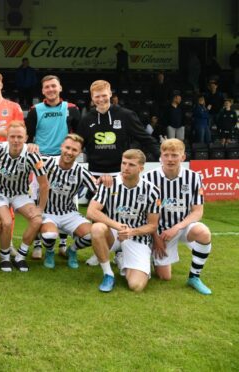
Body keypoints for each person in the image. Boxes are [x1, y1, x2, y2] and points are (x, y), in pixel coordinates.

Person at [0, 122, 49, 272]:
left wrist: (40, 208)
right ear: (6, 137)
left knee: (37, 219)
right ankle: (5, 257)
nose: (16, 140)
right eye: (12, 136)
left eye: (19, 136)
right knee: (6, 222)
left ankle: (20, 256)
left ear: (26, 138)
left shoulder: (33, 156)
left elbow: (44, 184)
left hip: (20, 193)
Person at [144, 139, 213, 294]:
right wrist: (155, 238)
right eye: (166, 155)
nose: (170, 159)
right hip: (159, 232)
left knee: (203, 232)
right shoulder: (148, 178)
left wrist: (177, 227)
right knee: (164, 276)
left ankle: (194, 277)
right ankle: (147, 256)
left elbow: (197, 211)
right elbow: (144, 214)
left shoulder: (194, 177)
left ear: (183, 157)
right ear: (160, 156)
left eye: (174, 155)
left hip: (181, 227)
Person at [87, 149, 160, 293]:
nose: (125, 167)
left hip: (137, 237)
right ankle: (108, 274)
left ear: (141, 168)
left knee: (136, 286)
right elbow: (91, 211)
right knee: (97, 228)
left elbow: (153, 225)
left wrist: (131, 232)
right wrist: (118, 226)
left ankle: (124, 259)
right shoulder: (109, 183)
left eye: (131, 165)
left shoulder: (152, 190)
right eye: (123, 163)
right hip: (114, 234)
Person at [26, 75, 81, 258]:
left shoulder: (71, 109)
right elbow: (29, 136)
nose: (50, 89)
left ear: (60, 88)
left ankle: (63, 244)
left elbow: (78, 136)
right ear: (43, 91)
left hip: (63, 160)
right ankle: (37, 244)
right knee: (37, 201)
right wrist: (31, 147)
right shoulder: (35, 110)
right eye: (47, 87)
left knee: (66, 201)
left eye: (53, 86)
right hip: (41, 160)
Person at [77, 80, 160, 176]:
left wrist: (161, 155)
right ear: (92, 97)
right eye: (97, 96)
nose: (101, 99)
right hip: (94, 174)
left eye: (104, 95)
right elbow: (78, 145)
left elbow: (145, 138)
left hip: (121, 173)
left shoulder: (126, 115)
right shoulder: (86, 119)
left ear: (110, 94)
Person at [39, 134, 98, 269]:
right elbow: (23, 159)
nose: (69, 152)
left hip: (69, 213)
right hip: (47, 212)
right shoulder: (46, 162)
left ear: (79, 153)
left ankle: (71, 250)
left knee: (93, 234)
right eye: (67, 148)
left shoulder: (81, 171)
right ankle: (49, 252)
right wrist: (30, 146)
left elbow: (99, 192)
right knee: (49, 235)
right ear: (61, 147)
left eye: (74, 150)